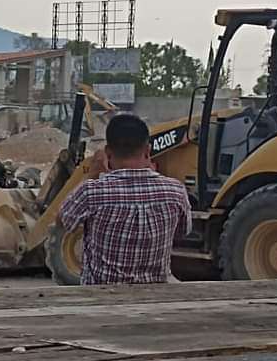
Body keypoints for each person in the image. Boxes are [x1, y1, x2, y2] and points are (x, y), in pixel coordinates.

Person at [58, 113, 191, 285]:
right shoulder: (176, 191)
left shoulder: (92, 191)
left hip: (100, 300)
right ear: (148, 151)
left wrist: (91, 175)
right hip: (155, 299)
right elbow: (182, 232)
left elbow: (62, 220)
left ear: (107, 153)